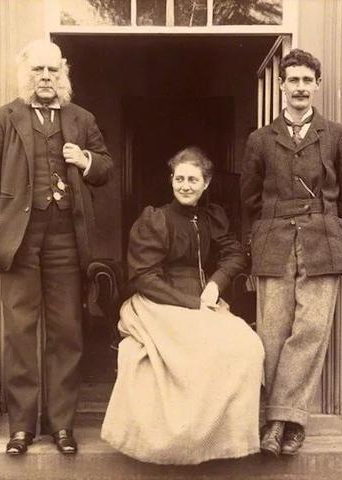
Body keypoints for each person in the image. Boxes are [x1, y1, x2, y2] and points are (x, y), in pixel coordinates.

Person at [0, 39, 113, 455]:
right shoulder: (2, 119)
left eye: (53, 70)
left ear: (62, 74)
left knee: (67, 331)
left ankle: (62, 426)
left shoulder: (81, 118)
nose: (46, 77)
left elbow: (105, 167)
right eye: (38, 70)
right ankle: (21, 428)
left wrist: (85, 160)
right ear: (26, 73)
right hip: (20, 240)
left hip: (67, 238)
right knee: (20, 333)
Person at [101, 147, 264, 465]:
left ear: (206, 183)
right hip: (157, 303)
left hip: (205, 301)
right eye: (179, 179)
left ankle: (221, 439)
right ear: (171, 180)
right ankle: (180, 441)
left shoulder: (212, 217)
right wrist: (191, 304)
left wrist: (215, 284)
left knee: (247, 346)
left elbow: (235, 255)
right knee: (188, 352)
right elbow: (145, 278)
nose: (185, 186)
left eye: (193, 180)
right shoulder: (155, 219)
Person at [241, 49, 342, 456]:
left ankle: (285, 421)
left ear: (317, 85)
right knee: (272, 333)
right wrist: (255, 246)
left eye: (306, 80)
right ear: (281, 86)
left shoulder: (338, 136)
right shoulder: (260, 140)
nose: (299, 87)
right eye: (292, 80)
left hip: (323, 243)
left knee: (311, 331)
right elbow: (249, 199)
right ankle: (280, 418)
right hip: (274, 243)